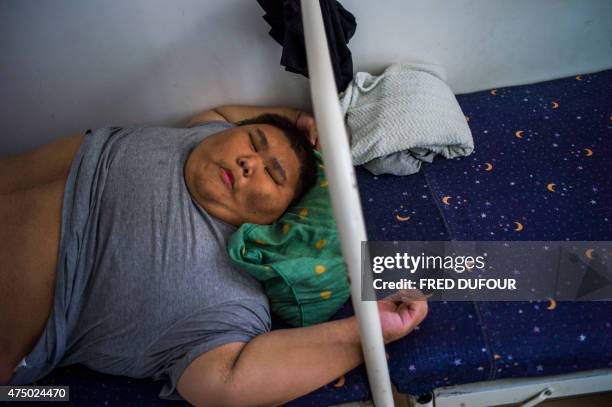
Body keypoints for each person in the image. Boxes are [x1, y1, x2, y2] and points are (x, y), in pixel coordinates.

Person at [0, 105, 428, 406]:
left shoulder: (229, 294)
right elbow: (223, 114)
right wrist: (296, 119)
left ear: (278, 216)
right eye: (252, 141)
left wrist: (368, 331)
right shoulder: (200, 135)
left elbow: (226, 385)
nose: (249, 162)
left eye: (272, 175)